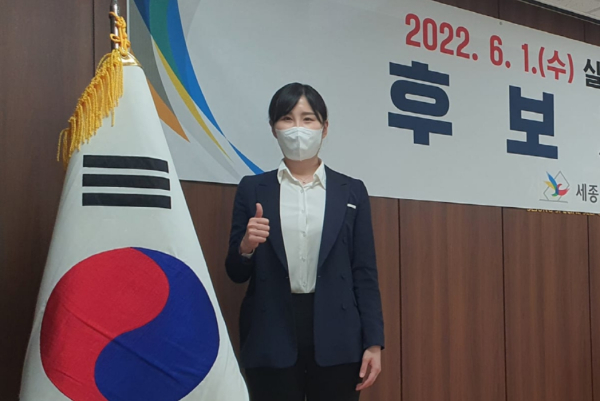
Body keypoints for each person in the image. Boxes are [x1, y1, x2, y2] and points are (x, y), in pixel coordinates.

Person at [225, 82, 384, 401]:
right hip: (270, 332)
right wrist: (246, 247)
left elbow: (364, 272)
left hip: (338, 332)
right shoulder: (252, 189)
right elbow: (235, 273)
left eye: (308, 119)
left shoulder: (351, 191)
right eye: (287, 118)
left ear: (325, 128)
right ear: (273, 128)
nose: (297, 128)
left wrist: (374, 342)